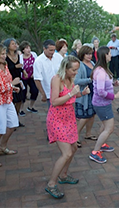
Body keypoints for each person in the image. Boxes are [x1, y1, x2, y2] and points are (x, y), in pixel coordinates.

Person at [45, 56, 90, 199]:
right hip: (57, 119)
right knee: (67, 153)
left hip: (69, 118)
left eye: (77, 69)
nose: (76, 72)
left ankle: (63, 175)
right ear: (65, 68)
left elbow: (72, 96)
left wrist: (82, 93)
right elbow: (54, 101)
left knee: (74, 148)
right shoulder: (57, 79)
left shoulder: (70, 79)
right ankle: (51, 184)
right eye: (73, 70)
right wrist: (72, 93)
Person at [89, 46, 119, 164]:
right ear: (105, 55)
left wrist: (113, 84)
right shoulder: (101, 72)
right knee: (109, 128)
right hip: (102, 104)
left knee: (105, 126)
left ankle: (101, 145)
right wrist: (115, 96)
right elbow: (101, 91)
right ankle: (95, 152)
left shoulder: (101, 69)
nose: (111, 56)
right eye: (109, 54)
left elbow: (102, 85)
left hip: (103, 104)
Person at [74, 44, 97, 148]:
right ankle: (76, 136)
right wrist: (89, 80)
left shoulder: (92, 63)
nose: (89, 56)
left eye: (91, 54)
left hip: (93, 93)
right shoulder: (80, 65)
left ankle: (88, 133)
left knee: (92, 114)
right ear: (82, 54)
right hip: (84, 94)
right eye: (87, 54)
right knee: (84, 116)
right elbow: (76, 81)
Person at [34, 39, 63, 108]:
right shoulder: (38, 61)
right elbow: (37, 79)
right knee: (53, 112)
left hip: (61, 89)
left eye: (54, 50)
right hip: (49, 91)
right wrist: (43, 93)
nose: (52, 52)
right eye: (50, 50)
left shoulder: (58, 57)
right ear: (44, 49)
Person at [3, 38, 25, 127]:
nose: (15, 45)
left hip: (18, 79)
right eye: (13, 44)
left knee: (20, 100)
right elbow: (5, 68)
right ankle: (9, 120)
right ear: (8, 46)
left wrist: (23, 71)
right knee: (11, 101)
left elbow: (19, 67)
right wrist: (16, 66)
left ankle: (16, 118)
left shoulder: (18, 55)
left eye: (15, 43)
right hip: (10, 80)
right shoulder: (5, 57)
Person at [19, 41, 39, 114]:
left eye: (29, 48)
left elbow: (37, 64)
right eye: (26, 48)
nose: (29, 50)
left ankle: (30, 107)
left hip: (32, 76)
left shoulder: (34, 54)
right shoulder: (20, 57)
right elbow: (20, 67)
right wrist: (24, 72)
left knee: (35, 91)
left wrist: (34, 73)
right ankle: (20, 109)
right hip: (23, 77)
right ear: (23, 50)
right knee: (23, 93)